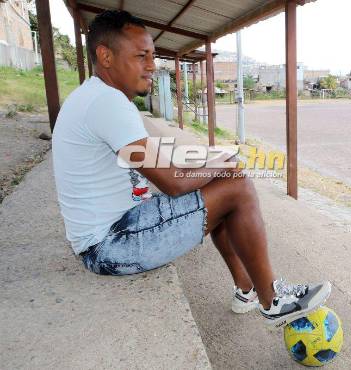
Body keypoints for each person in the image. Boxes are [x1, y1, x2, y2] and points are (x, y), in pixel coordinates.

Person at [52, 10, 330, 328]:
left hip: (111, 232)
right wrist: (222, 163)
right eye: (141, 56)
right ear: (106, 56)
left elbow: (161, 168)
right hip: (110, 245)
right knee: (236, 186)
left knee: (222, 187)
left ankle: (248, 290)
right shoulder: (107, 103)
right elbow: (172, 182)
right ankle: (273, 301)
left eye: (153, 56)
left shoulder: (97, 98)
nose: (151, 67)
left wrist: (211, 165)